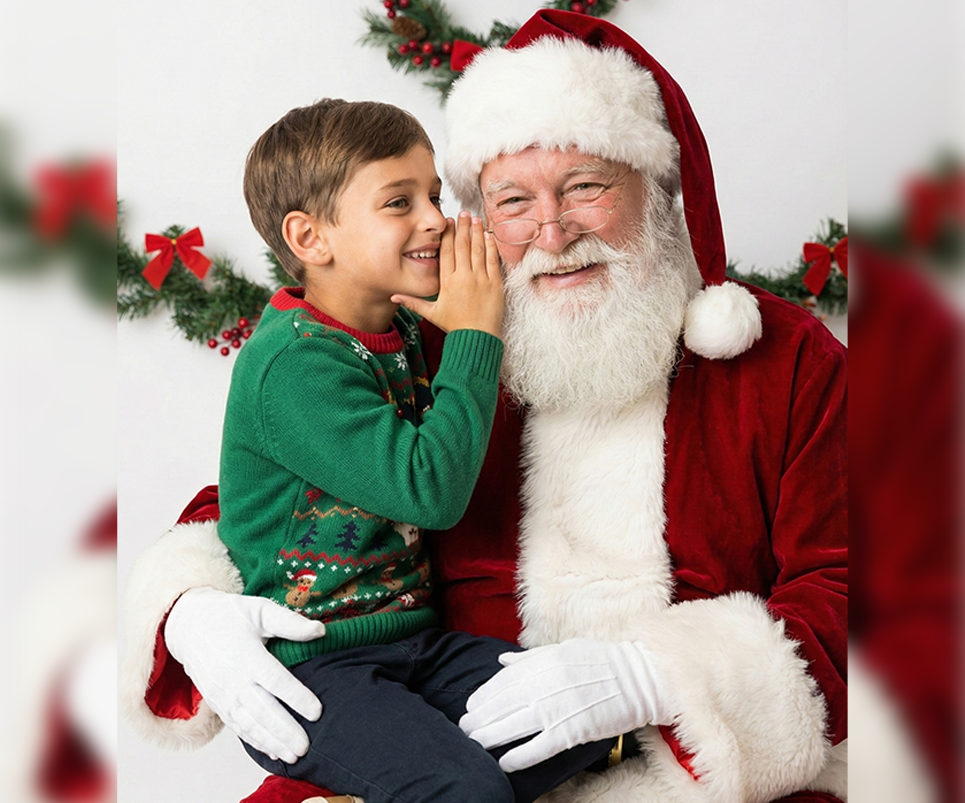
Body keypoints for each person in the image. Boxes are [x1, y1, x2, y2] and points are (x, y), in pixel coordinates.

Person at [121, 11, 847, 803]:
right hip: (420, 720)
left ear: (660, 190)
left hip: (681, 757)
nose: (551, 231)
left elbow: (855, 579)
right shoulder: (444, 337)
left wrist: (657, 676)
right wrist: (190, 608)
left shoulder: (784, 359)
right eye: (511, 201)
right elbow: (275, 495)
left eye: (587, 187)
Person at [137, 97, 616, 803]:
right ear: (310, 237)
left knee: (588, 722)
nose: (436, 220)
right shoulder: (292, 364)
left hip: (415, 646)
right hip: (314, 665)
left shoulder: (401, 330)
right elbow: (429, 490)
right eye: (399, 202)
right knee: (466, 788)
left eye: (434, 195)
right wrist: (477, 335)